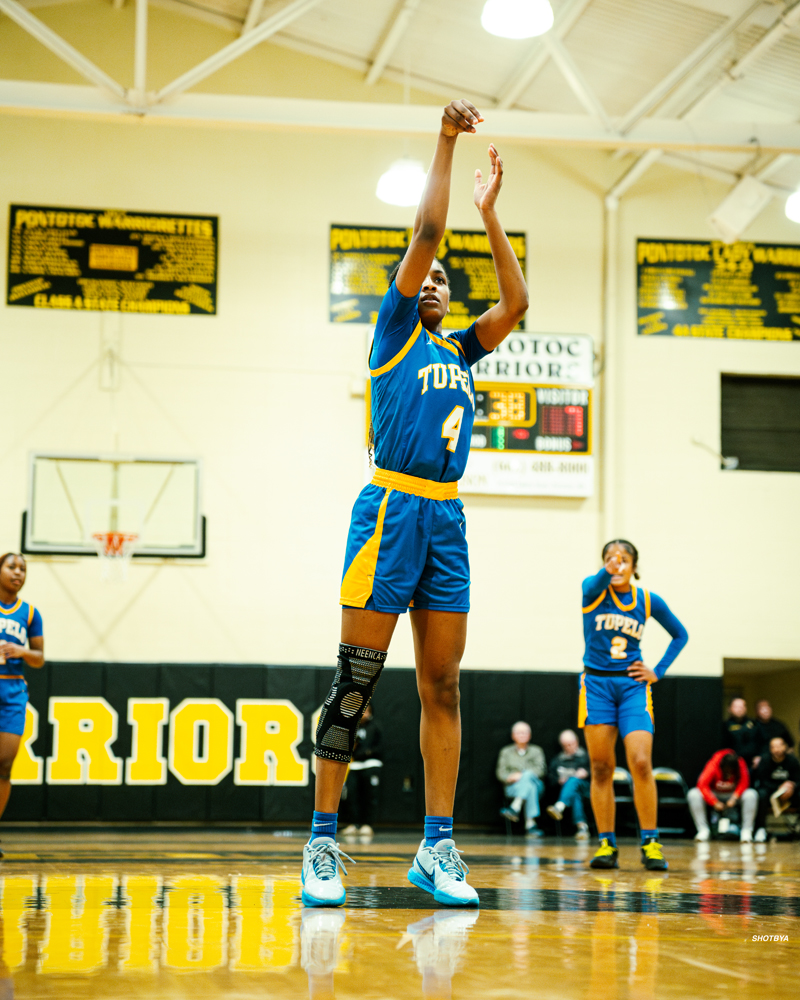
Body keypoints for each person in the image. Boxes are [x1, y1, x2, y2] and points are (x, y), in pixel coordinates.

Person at [301, 99, 528, 908]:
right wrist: (444, 141)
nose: (432, 277)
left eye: (440, 279)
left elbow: (516, 306)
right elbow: (425, 236)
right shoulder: (393, 331)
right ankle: (323, 845)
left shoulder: (462, 349)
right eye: (422, 274)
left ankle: (437, 849)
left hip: (447, 516)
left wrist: (491, 215)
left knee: (445, 687)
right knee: (355, 682)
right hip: (390, 512)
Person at [579, 540, 688, 871]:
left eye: (623, 559)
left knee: (640, 762)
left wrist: (658, 670)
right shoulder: (593, 590)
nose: (616, 563)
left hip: (632, 686)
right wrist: (606, 569)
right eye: (610, 558)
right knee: (601, 768)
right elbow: (592, 582)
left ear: (634, 566)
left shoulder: (647, 599)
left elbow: (679, 634)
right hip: (596, 684)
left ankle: (651, 843)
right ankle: (606, 844)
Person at [0, 553, 44, 855]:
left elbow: (40, 658)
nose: (18, 573)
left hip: (12, 691)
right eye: (12, 567)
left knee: (4, 764)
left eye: (23, 569)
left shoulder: (29, 613)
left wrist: (21, 650)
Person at [687, 749, 757, 843]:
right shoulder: (714, 763)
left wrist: (734, 797)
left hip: (732, 794)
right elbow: (702, 785)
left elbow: (744, 782)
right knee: (693, 793)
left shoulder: (739, 763)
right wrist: (714, 802)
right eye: (727, 771)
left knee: (751, 794)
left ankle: (746, 832)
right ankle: (703, 830)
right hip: (715, 794)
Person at [496, 721, 546, 837]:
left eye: (525, 733)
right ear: (513, 735)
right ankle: (530, 824)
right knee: (529, 786)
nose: (522, 735)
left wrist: (522, 775)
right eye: (519, 733)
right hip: (513, 787)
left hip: (537, 785)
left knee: (528, 776)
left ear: (530, 735)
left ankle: (515, 807)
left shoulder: (536, 751)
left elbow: (541, 771)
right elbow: (500, 773)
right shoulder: (506, 752)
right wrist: (510, 777)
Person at [342, 703, 383, 837]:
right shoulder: (353, 728)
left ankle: (367, 824)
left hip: (371, 764)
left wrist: (367, 752)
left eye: (367, 711)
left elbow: (381, 747)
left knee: (370, 795)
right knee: (352, 795)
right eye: (362, 711)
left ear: (370, 713)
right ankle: (354, 824)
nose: (364, 713)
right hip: (355, 765)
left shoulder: (375, 726)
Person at [751, 736, 800, 842]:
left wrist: (792, 786)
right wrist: (779, 788)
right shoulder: (765, 760)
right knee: (761, 794)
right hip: (771, 791)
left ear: (785, 747)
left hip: (790, 792)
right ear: (770, 749)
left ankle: (797, 828)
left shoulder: (792, 760)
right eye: (773, 747)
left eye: (779, 746)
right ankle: (760, 829)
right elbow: (762, 781)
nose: (777, 750)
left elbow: (798, 779)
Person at [546, 729, 591, 840]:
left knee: (574, 780)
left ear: (577, 741)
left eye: (571, 744)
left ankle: (560, 805)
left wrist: (587, 773)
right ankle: (582, 827)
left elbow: (599, 773)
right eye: (566, 745)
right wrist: (559, 780)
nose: (569, 747)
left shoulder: (586, 756)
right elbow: (550, 778)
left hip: (587, 788)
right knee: (575, 793)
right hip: (568, 791)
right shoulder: (557, 760)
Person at [751, 700, 794, 769]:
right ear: (756, 711)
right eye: (762, 708)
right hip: (760, 761)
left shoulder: (779, 725)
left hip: (779, 761)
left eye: (767, 707)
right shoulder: (752, 726)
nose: (766, 710)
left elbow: (790, 745)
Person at [721, 698, 759, 767]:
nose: (739, 709)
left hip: (753, 764)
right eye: (736, 707)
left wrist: (760, 756)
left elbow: (762, 741)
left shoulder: (754, 723)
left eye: (742, 706)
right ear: (729, 709)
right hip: (733, 764)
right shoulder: (725, 726)